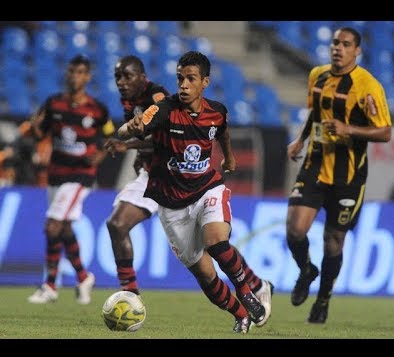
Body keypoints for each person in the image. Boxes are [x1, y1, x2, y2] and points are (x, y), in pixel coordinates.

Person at [117, 51, 272, 333]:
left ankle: (245, 291)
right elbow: (133, 127)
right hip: (171, 204)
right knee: (205, 274)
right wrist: (130, 127)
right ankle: (240, 314)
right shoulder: (164, 109)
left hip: (207, 188)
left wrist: (229, 157)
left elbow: (221, 130)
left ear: (205, 82)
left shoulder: (217, 111)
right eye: (180, 79)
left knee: (216, 241)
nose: (184, 85)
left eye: (191, 79)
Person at [286, 27, 392, 324]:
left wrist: (349, 129)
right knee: (295, 231)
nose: (338, 48)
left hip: (349, 176)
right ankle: (306, 270)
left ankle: (323, 299)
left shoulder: (368, 86)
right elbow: (315, 113)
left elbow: (385, 132)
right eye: (335, 42)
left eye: (345, 44)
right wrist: (300, 139)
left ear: (356, 50)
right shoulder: (317, 75)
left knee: (333, 240)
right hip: (315, 164)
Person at [27, 54, 116, 304]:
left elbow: (112, 139)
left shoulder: (98, 110)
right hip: (56, 173)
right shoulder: (54, 104)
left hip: (80, 176)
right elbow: (39, 135)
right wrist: (35, 128)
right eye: (71, 71)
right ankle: (83, 276)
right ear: (67, 74)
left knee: (52, 225)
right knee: (63, 228)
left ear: (87, 76)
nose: (75, 76)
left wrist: (99, 155)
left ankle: (49, 285)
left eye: (80, 72)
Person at [103, 55, 169, 296]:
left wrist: (127, 146)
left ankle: (256, 286)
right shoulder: (129, 101)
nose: (121, 82)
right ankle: (130, 294)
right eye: (117, 77)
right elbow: (144, 138)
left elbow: (168, 140)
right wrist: (140, 156)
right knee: (117, 224)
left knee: (207, 250)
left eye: (127, 76)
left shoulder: (157, 97)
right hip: (152, 175)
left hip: (176, 176)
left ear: (143, 77)